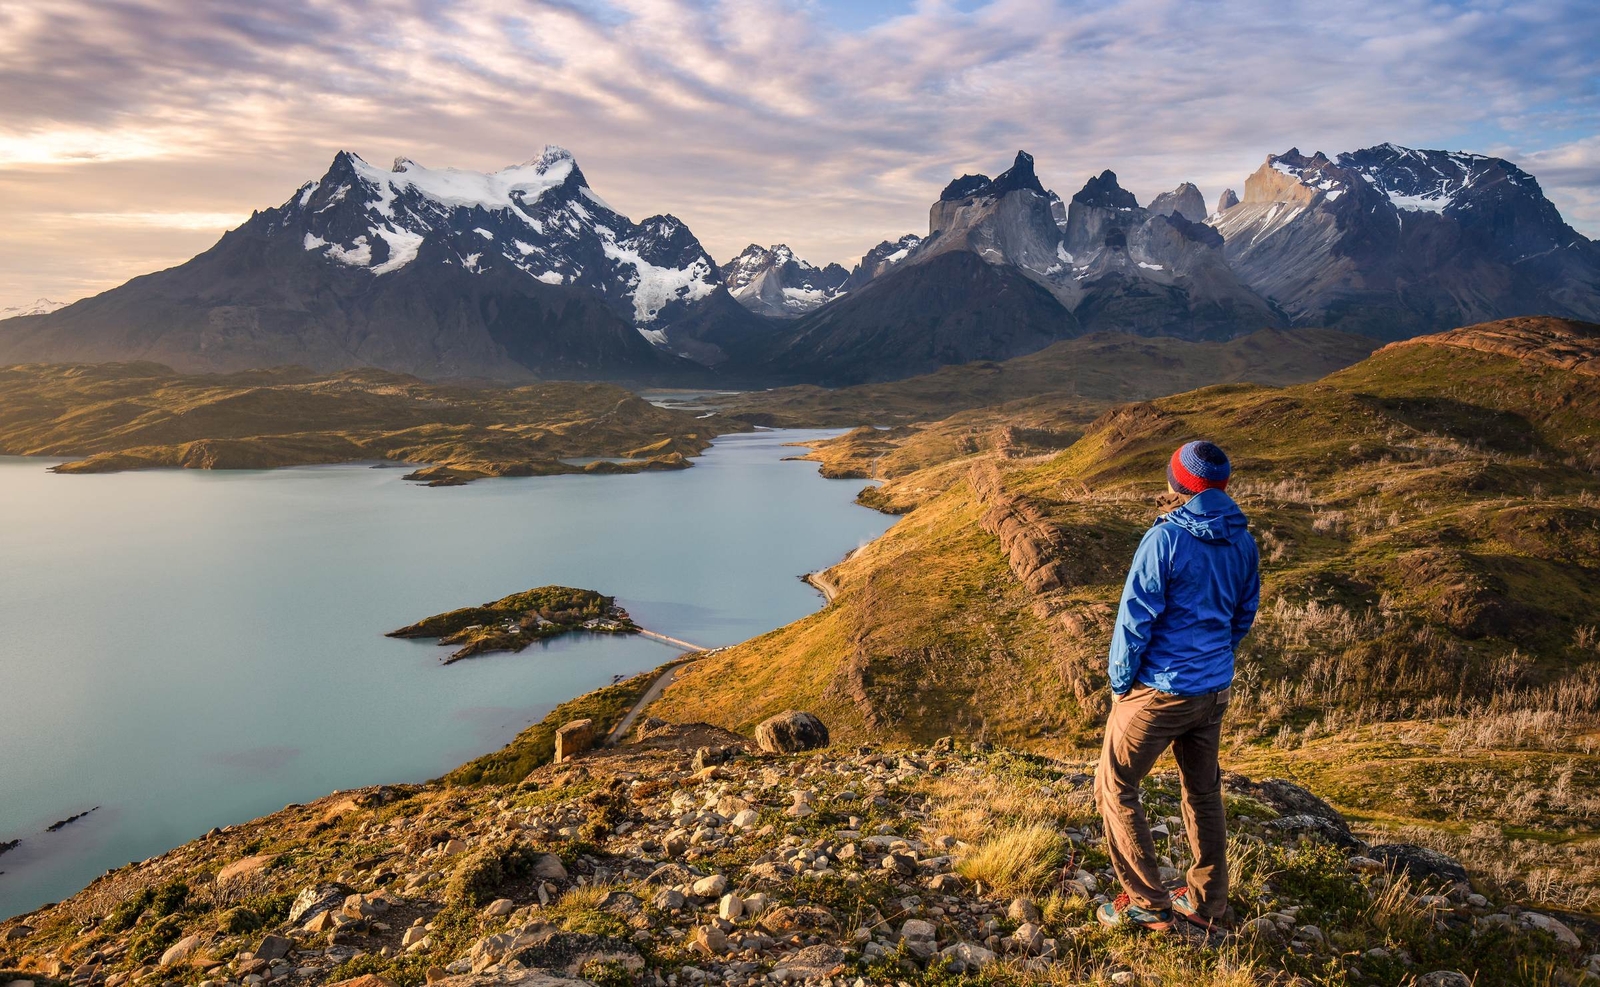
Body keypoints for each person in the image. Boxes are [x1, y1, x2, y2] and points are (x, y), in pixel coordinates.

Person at [1094, 440, 1260, 932]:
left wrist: (1121, 684)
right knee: (1203, 792)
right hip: (1213, 691)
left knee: (1115, 783)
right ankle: (1209, 906)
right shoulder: (1243, 541)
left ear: (1179, 484)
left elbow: (1134, 621)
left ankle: (1148, 902)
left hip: (1161, 690)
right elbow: (1242, 616)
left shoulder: (1164, 539)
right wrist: (1214, 660)